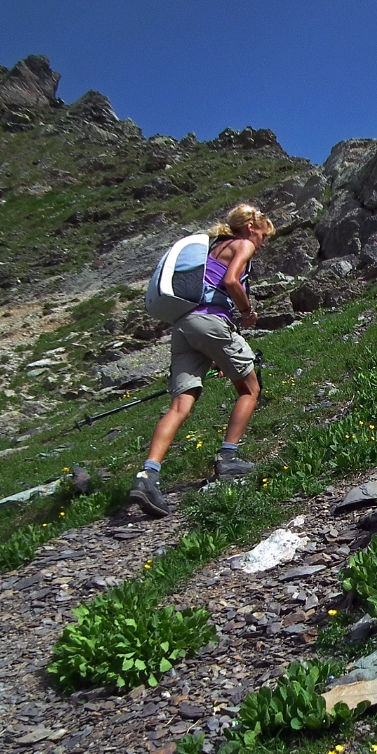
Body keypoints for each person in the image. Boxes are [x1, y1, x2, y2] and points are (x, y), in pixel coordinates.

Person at [128, 203, 275, 518]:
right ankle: (228, 458)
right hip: (209, 320)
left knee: (180, 405)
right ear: (252, 227)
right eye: (264, 234)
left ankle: (147, 477)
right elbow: (233, 281)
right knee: (250, 389)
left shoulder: (215, 246)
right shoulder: (244, 243)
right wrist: (248, 313)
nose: (262, 242)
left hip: (183, 326)